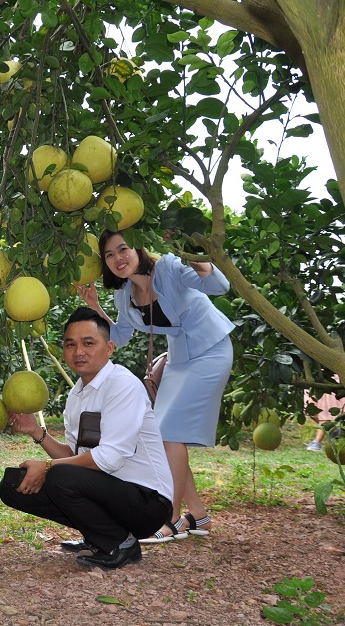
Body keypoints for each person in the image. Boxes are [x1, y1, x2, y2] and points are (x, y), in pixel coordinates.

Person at [77, 230, 234, 543]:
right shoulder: (124, 294)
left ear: (138, 248)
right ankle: (199, 517)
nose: (117, 258)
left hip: (211, 350)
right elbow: (118, 337)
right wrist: (94, 305)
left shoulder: (170, 267)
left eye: (123, 249)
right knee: (163, 436)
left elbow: (220, 286)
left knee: (170, 435)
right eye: (109, 255)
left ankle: (170, 519)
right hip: (179, 359)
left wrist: (195, 257)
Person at [0, 307, 175, 571]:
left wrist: (46, 468)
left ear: (109, 348)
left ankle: (120, 543)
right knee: (12, 485)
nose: (78, 351)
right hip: (109, 491)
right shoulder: (77, 395)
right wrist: (37, 432)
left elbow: (110, 458)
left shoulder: (122, 385)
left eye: (88, 343)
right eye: (71, 344)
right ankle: (98, 534)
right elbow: (73, 454)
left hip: (147, 501)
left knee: (61, 477)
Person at [305, 375, 345, 451]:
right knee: (312, 413)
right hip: (314, 378)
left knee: (324, 414)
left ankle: (317, 442)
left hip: (329, 379)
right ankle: (334, 430)